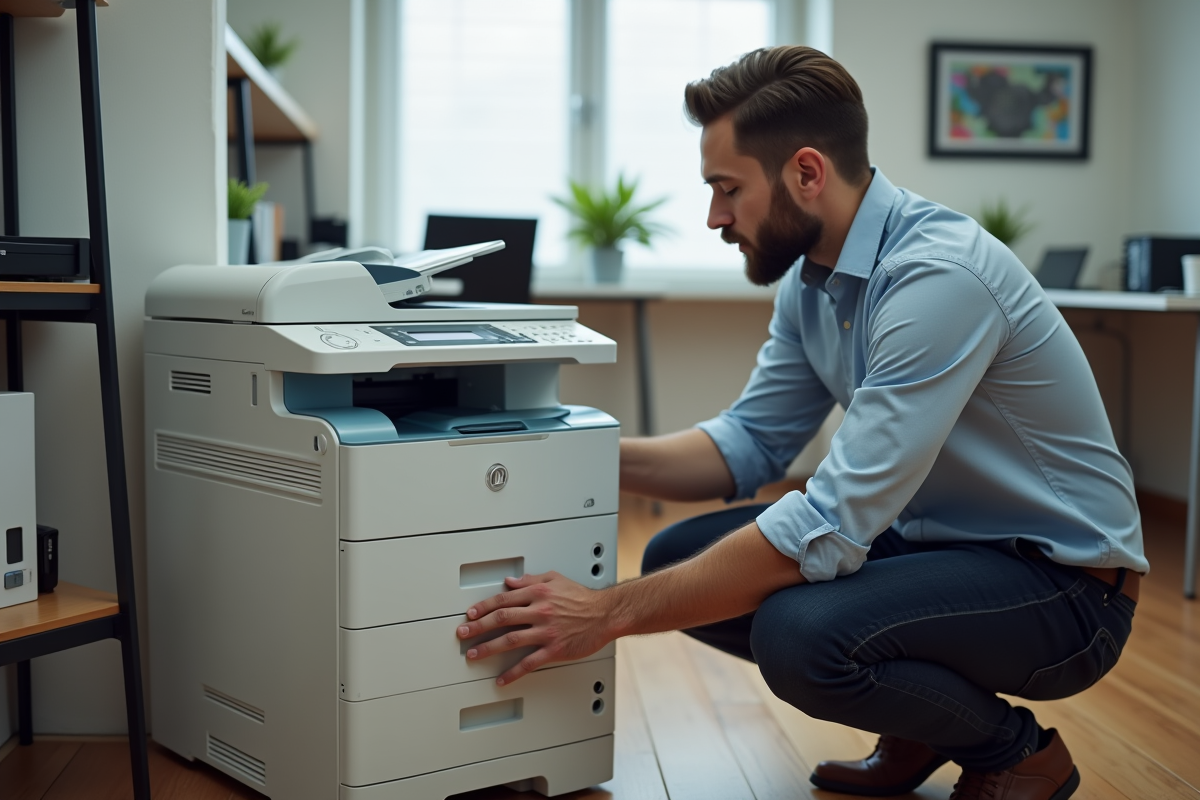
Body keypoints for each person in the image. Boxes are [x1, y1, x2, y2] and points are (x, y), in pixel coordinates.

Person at [456, 45, 1145, 800]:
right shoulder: (814, 280)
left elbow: (833, 521)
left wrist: (606, 613)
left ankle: (1016, 752)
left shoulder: (936, 277)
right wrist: (575, 449)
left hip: (1063, 589)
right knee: (677, 555)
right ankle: (926, 722)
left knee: (800, 635)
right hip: (936, 547)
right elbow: (749, 442)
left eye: (727, 189)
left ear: (806, 174)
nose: (715, 216)